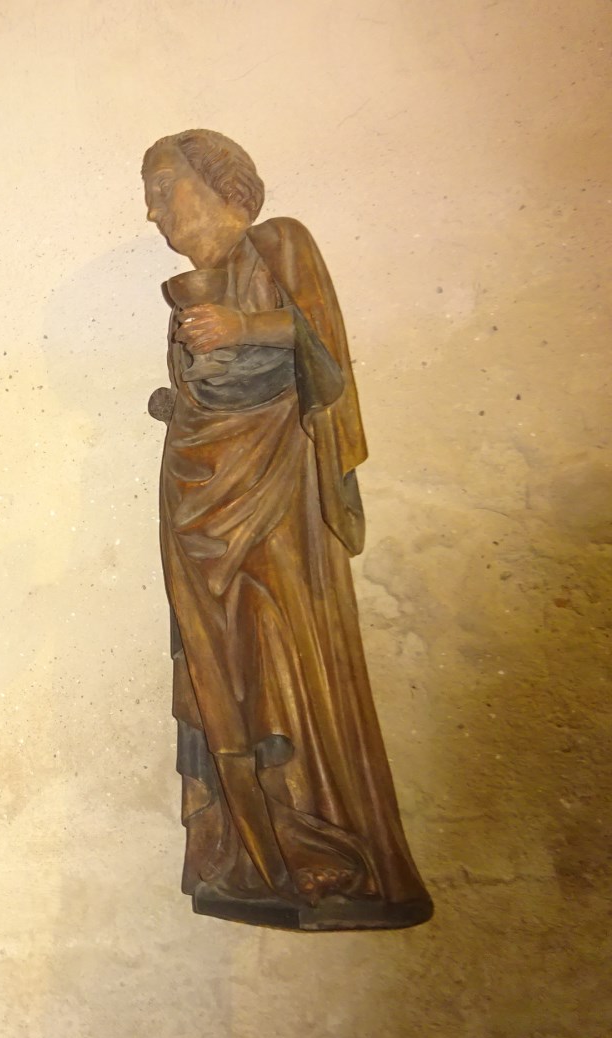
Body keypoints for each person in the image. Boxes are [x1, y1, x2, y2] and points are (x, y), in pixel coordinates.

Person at [142, 131, 431, 929]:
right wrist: (182, 398)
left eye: (164, 188)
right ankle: (245, 852)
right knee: (221, 664)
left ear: (222, 183)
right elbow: (212, 396)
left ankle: (328, 845)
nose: (154, 212)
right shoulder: (190, 301)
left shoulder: (280, 243)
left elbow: (322, 344)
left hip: (277, 502)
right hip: (200, 508)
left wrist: (243, 328)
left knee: (280, 647)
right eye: (151, 195)